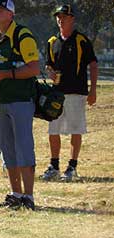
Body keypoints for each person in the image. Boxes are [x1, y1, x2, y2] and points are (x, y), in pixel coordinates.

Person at [0, 0, 40, 210]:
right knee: (7, 148)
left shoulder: (22, 35)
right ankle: (15, 194)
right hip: (0, 100)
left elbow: (34, 68)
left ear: (11, 14)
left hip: (21, 99)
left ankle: (29, 197)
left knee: (24, 147)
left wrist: (4, 74)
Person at [40, 4, 98, 182]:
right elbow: (49, 65)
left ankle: (72, 167)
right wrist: (49, 72)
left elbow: (93, 64)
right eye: (58, 16)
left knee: (75, 129)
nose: (60, 19)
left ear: (72, 19)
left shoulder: (81, 40)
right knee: (53, 129)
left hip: (76, 92)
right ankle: (54, 166)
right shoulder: (52, 41)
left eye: (64, 16)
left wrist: (93, 90)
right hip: (56, 94)